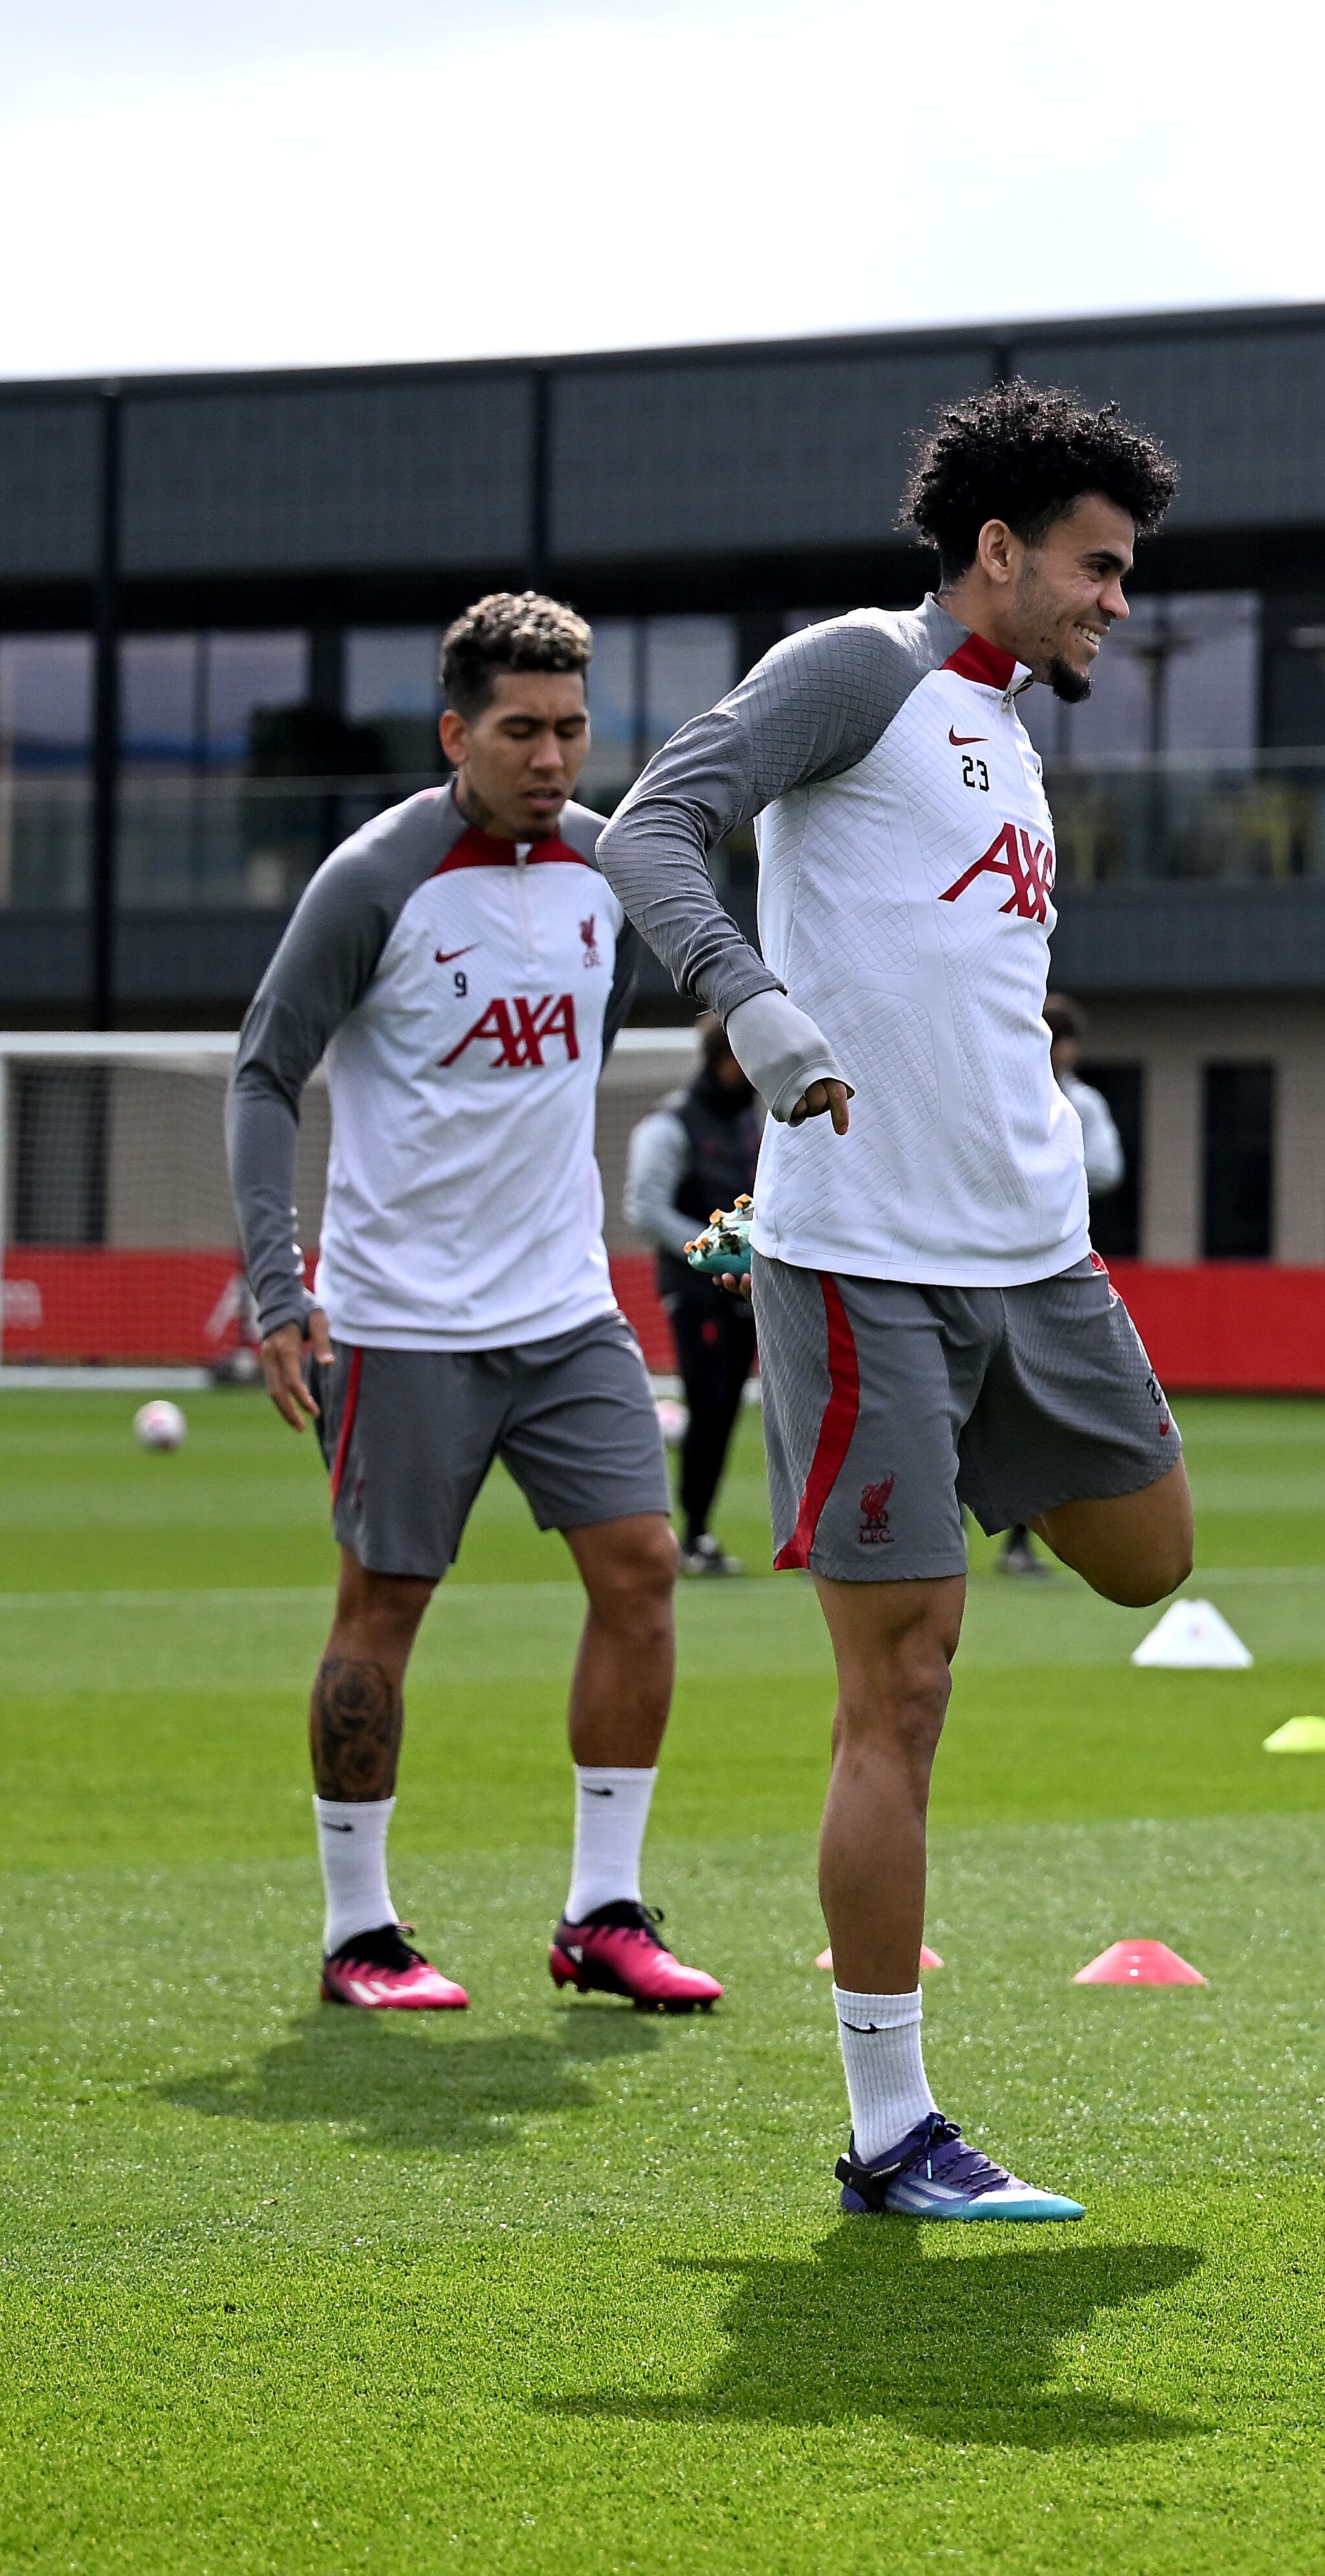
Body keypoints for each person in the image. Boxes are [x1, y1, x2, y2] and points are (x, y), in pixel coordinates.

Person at [599, 382, 1193, 2222]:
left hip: (1039, 1257)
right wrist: (755, 1006)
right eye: (1099, 567)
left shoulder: (1008, 727)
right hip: (865, 1266)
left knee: (1152, 1553)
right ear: (998, 550)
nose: (1119, 602)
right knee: (906, 1684)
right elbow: (650, 831)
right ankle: (891, 2133)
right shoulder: (859, 666)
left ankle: (934, 1489)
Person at [228, 593, 723, 2016]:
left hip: (567, 1311)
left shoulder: (606, 871)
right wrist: (279, 1288)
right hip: (401, 1321)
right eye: (521, 730)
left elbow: (580, 1058)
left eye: (572, 728)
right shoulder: (374, 878)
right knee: (384, 1604)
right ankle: (359, 1932)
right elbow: (264, 1073)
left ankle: (602, 1912)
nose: (552, 757)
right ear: (456, 733)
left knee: (641, 1570)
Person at [624, 1014, 765, 1574]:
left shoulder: (752, 1119)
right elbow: (645, 1208)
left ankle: (700, 1534)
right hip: (695, 1291)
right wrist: (717, 1248)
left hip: (747, 1290)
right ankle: (690, 1534)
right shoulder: (670, 1125)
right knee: (706, 1406)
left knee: (727, 1409)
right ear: (722, 1060)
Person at [997, 992, 1126, 1576]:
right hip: (987, 1260)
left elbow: (1108, 1168)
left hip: (1052, 1261)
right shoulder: (999, 1089)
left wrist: (1041, 1171)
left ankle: (1020, 1543)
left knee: (1037, 1401)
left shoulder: (1081, 1104)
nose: (1061, 1052)